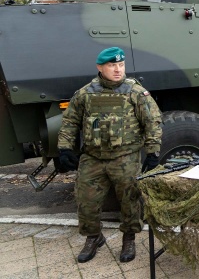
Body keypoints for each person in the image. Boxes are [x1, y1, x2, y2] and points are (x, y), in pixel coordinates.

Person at [57, 47, 163, 263]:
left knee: (130, 200)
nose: (117, 70)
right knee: (86, 200)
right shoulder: (86, 93)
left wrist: (153, 152)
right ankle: (94, 237)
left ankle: (129, 238)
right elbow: (70, 122)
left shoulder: (135, 92)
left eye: (121, 65)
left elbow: (152, 121)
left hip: (125, 156)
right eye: (112, 65)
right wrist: (65, 148)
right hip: (93, 157)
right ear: (100, 68)